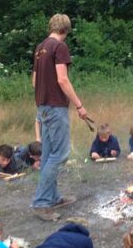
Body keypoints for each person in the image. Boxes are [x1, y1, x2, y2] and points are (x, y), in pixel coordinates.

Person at [31, 13, 91, 221]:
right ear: (66, 30)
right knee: (61, 154)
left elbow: (34, 81)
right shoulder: (59, 47)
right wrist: (79, 106)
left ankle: (53, 197)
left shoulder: (40, 47)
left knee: (48, 154)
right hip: (55, 108)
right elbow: (63, 80)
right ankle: (41, 202)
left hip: (43, 107)